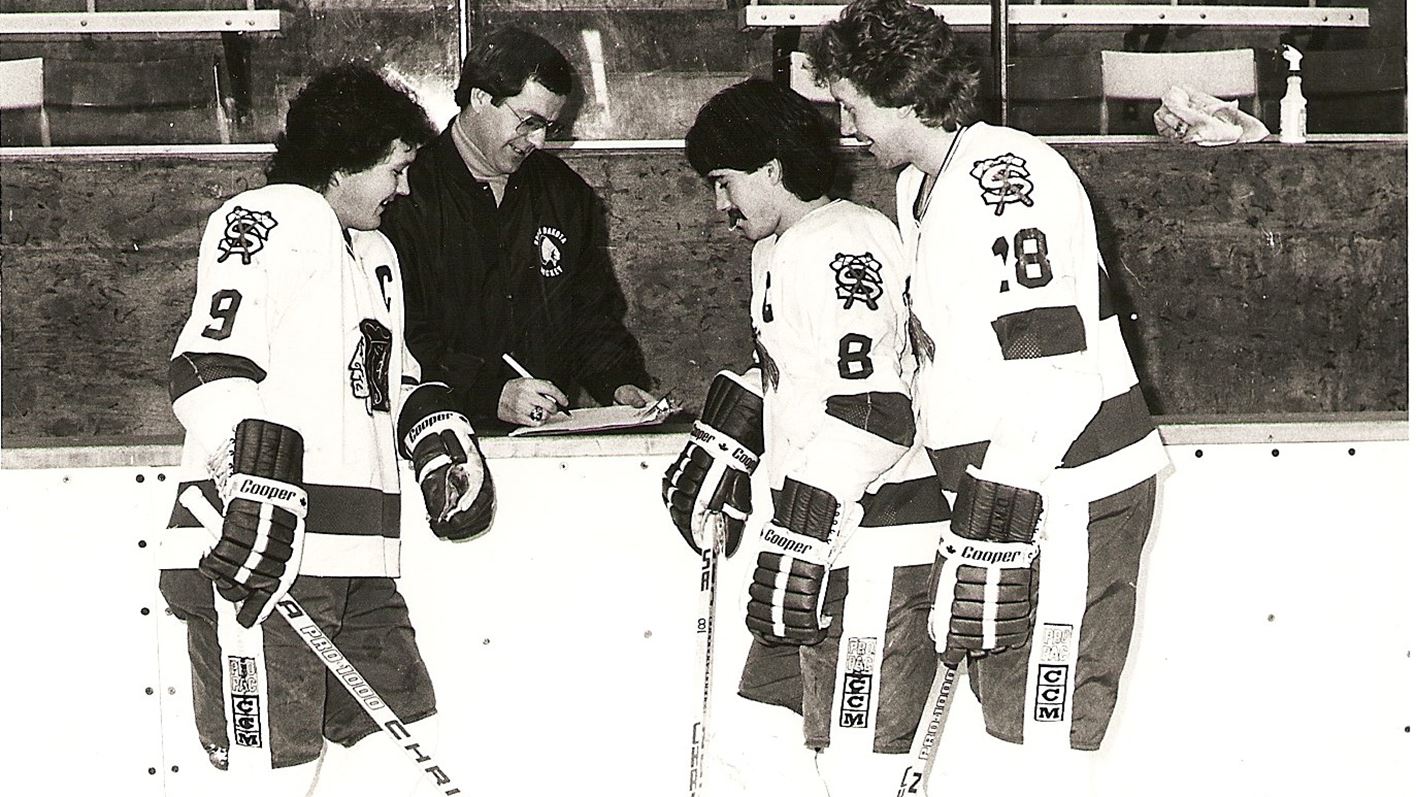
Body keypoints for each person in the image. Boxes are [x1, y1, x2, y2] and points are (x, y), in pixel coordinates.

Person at [809, 0, 1171, 781]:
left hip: (1071, 484)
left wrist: (992, 513)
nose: (846, 126)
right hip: (1010, 494)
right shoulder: (918, 187)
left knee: (1043, 732)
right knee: (1009, 720)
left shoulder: (1008, 176)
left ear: (900, 90)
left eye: (851, 103)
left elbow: (1054, 370)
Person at [157, 63, 495, 796]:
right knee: (271, 781)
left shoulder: (375, 254)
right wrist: (244, 481)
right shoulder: (272, 216)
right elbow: (205, 364)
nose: (404, 191)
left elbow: (389, 375)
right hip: (260, 560)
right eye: (396, 170)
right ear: (343, 162)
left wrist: (434, 429)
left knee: (405, 756)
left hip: (357, 562)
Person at [662, 77, 949, 796]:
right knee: (763, 735)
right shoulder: (780, 247)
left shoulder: (845, 242)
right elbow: (808, 379)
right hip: (819, 543)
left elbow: (878, 408)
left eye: (724, 183)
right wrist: (731, 441)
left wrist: (803, 527)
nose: (718, 205)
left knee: (857, 766)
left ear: (771, 168)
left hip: (875, 543)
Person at [381, 25, 655, 432]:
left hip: (548, 438)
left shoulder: (564, 195)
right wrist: (490, 393)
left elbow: (591, 315)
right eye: (528, 121)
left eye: (549, 126)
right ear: (479, 98)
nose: (539, 141)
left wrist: (619, 383)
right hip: (444, 435)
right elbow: (403, 334)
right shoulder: (404, 193)